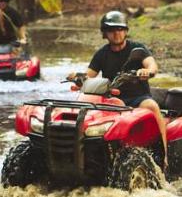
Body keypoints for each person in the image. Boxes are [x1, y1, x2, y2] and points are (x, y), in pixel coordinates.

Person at [71, 10, 168, 170]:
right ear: (105, 33)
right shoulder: (101, 54)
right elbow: (89, 75)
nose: (116, 34)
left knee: (152, 107)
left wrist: (147, 71)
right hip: (113, 99)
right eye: (111, 30)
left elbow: (152, 65)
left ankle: (164, 157)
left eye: (120, 29)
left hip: (138, 97)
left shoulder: (137, 49)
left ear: (125, 31)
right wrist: (78, 78)